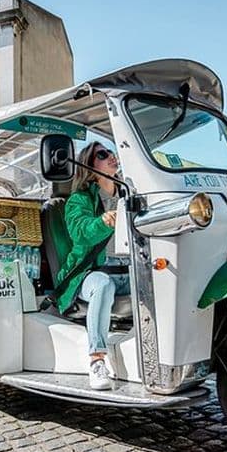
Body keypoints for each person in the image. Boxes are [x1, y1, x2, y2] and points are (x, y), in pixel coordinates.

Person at [55, 141, 130, 390]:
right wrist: (103, 221)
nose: (110, 156)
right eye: (102, 154)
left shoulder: (130, 193)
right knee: (103, 285)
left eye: (111, 152)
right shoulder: (79, 200)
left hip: (128, 271)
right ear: (89, 165)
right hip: (90, 274)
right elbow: (80, 233)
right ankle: (97, 360)